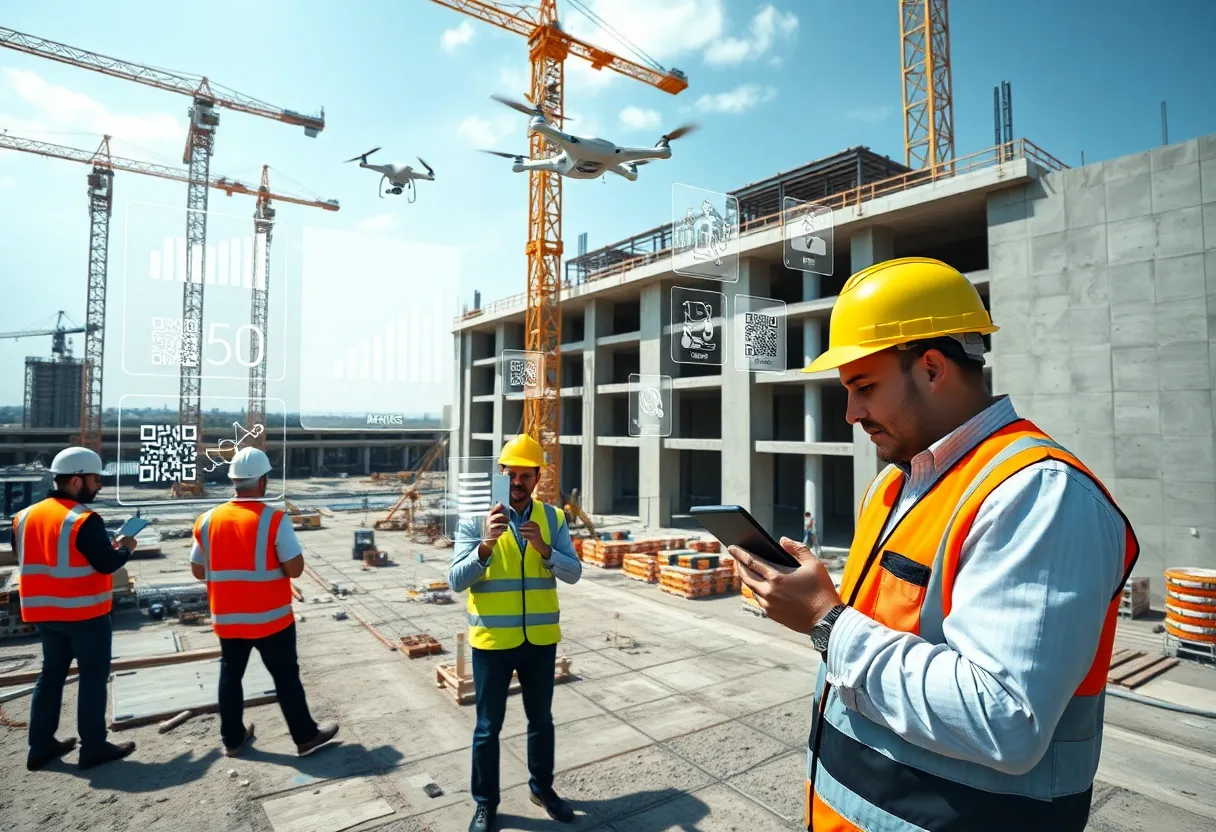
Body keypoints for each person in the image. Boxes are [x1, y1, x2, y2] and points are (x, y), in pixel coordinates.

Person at [730, 257, 1137, 831]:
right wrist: (818, 603)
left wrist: (826, 621)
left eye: (864, 387)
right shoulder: (894, 484)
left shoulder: (1038, 494)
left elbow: (1006, 720)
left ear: (931, 367)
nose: (850, 414)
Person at [449, 434, 583, 832]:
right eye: (512, 475)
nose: (519, 483)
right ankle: (485, 804)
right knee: (488, 728)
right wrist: (485, 548)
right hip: (492, 643)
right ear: (500, 475)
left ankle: (542, 788)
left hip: (540, 642)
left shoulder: (554, 519)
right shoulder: (475, 521)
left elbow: (574, 573)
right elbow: (456, 580)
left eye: (527, 475)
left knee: (541, 721)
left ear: (538, 477)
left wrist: (546, 551)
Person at [189, 447, 338, 758]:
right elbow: (295, 570)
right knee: (286, 678)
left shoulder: (206, 520)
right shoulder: (274, 519)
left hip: (228, 620)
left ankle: (232, 740)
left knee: (230, 677)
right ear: (262, 481)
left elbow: (198, 570)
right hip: (271, 619)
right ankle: (305, 736)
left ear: (234, 481)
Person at [14, 446, 138, 770]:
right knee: (94, 677)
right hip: (85, 615)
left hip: (44, 615)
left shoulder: (24, 517)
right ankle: (93, 746)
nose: (98, 486)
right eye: (95, 480)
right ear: (74, 481)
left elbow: (36, 557)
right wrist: (125, 549)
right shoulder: (83, 519)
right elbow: (107, 563)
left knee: (50, 677)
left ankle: (39, 747)